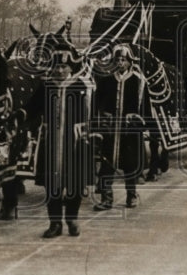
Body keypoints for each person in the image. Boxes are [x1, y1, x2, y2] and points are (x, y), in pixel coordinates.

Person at [27, 58, 95, 237]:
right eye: (56, 66)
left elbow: (91, 113)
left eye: (64, 66)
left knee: (75, 182)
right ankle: (55, 223)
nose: (59, 70)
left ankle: (72, 219)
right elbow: (32, 108)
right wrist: (20, 115)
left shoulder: (80, 86)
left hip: (75, 141)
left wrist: (91, 134)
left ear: (71, 68)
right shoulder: (46, 86)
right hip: (51, 141)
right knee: (52, 184)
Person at [93, 44, 146, 210]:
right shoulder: (106, 80)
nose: (120, 63)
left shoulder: (138, 81)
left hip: (129, 131)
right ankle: (106, 199)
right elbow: (97, 103)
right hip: (110, 130)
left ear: (130, 62)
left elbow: (145, 108)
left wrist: (137, 119)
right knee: (106, 163)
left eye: (123, 60)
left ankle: (131, 195)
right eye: (117, 60)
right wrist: (101, 118)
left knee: (130, 163)